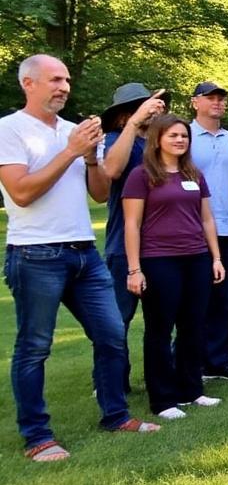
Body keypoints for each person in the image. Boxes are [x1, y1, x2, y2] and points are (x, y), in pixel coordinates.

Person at [1, 54, 160, 461]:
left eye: (67, 79)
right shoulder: (9, 130)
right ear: (28, 83)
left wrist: (90, 157)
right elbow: (21, 192)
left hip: (84, 253)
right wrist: (72, 151)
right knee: (34, 346)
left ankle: (115, 415)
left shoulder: (77, 132)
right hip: (36, 254)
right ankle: (38, 436)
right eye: (54, 79)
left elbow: (100, 192)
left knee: (111, 334)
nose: (64, 87)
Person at [122, 115, 226, 419]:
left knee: (193, 326)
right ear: (157, 139)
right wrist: (133, 268)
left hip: (196, 257)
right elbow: (132, 224)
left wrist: (216, 257)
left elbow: (207, 219)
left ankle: (191, 390)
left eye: (184, 136)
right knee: (160, 329)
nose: (180, 140)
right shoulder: (141, 176)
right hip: (158, 260)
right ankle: (163, 399)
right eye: (173, 135)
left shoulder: (193, 173)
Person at [98, 83, 168, 390]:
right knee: (118, 319)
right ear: (126, 113)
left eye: (154, 105)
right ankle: (111, 381)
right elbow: (111, 171)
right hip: (123, 245)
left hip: (162, 245)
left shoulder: (160, 146)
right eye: (145, 106)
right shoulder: (116, 140)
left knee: (163, 318)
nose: (154, 109)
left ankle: (164, 376)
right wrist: (136, 123)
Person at [188, 81, 228, 381]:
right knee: (193, 298)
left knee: (224, 298)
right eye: (210, 98)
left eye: (221, 99)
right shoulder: (183, 135)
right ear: (195, 102)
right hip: (191, 229)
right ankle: (190, 359)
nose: (217, 103)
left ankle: (217, 360)